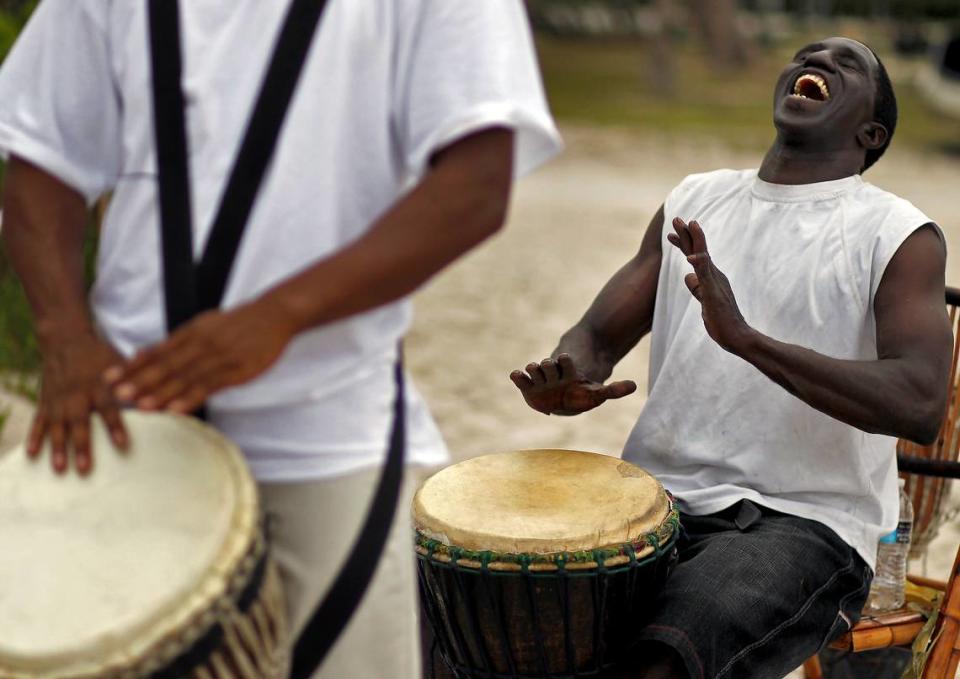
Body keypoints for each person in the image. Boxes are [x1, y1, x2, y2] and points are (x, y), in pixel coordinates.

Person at [0, 1, 561, 676]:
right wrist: (64, 339)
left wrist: (280, 316)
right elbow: (40, 158)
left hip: (326, 442)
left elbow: (476, 184)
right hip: (127, 435)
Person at [511, 37, 951, 679]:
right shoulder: (695, 198)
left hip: (802, 522)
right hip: (651, 501)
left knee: (663, 659)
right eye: (808, 53)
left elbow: (920, 403)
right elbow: (596, 339)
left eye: (846, 63)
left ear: (871, 131)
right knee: (476, 598)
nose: (818, 61)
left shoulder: (897, 233)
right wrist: (568, 373)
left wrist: (747, 339)